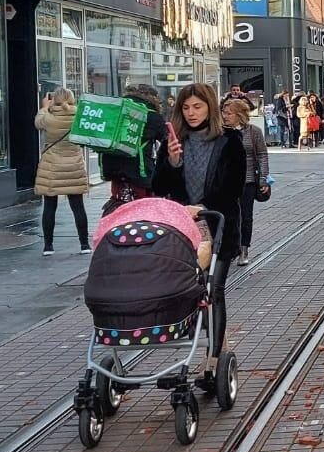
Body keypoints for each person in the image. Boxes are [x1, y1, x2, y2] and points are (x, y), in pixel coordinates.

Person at [152, 82, 245, 359]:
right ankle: (210, 341)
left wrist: (203, 207)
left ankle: (214, 357)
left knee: (214, 288)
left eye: (197, 106)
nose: (191, 113)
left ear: (210, 108)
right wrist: (172, 162)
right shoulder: (175, 142)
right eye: (186, 107)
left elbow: (234, 188)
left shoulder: (229, 141)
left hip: (218, 227)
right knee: (192, 291)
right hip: (184, 230)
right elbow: (159, 187)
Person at [101, 82, 171, 216]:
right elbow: (165, 138)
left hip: (113, 169)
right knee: (142, 209)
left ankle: (116, 230)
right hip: (139, 173)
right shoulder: (152, 116)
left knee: (119, 204)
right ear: (152, 98)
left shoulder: (117, 111)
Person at [34, 87, 90, 254]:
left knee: (50, 206)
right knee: (78, 206)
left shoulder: (48, 117)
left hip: (52, 166)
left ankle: (48, 247)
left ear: (54, 99)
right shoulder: (79, 115)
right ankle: (84, 245)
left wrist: (44, 106)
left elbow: (37, 122)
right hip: (74, 165)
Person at [222, 99, 269, 265]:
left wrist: (263, 179)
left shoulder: (253, 131)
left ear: (239, 115)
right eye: (224, 113)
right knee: (229, 216)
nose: (224, 116)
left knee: (245, 216)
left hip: (248, 180)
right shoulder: (222, 132)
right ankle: (231, 247)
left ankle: (243, 248)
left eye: (229, 113)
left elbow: (262, 155)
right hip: (226, 181)